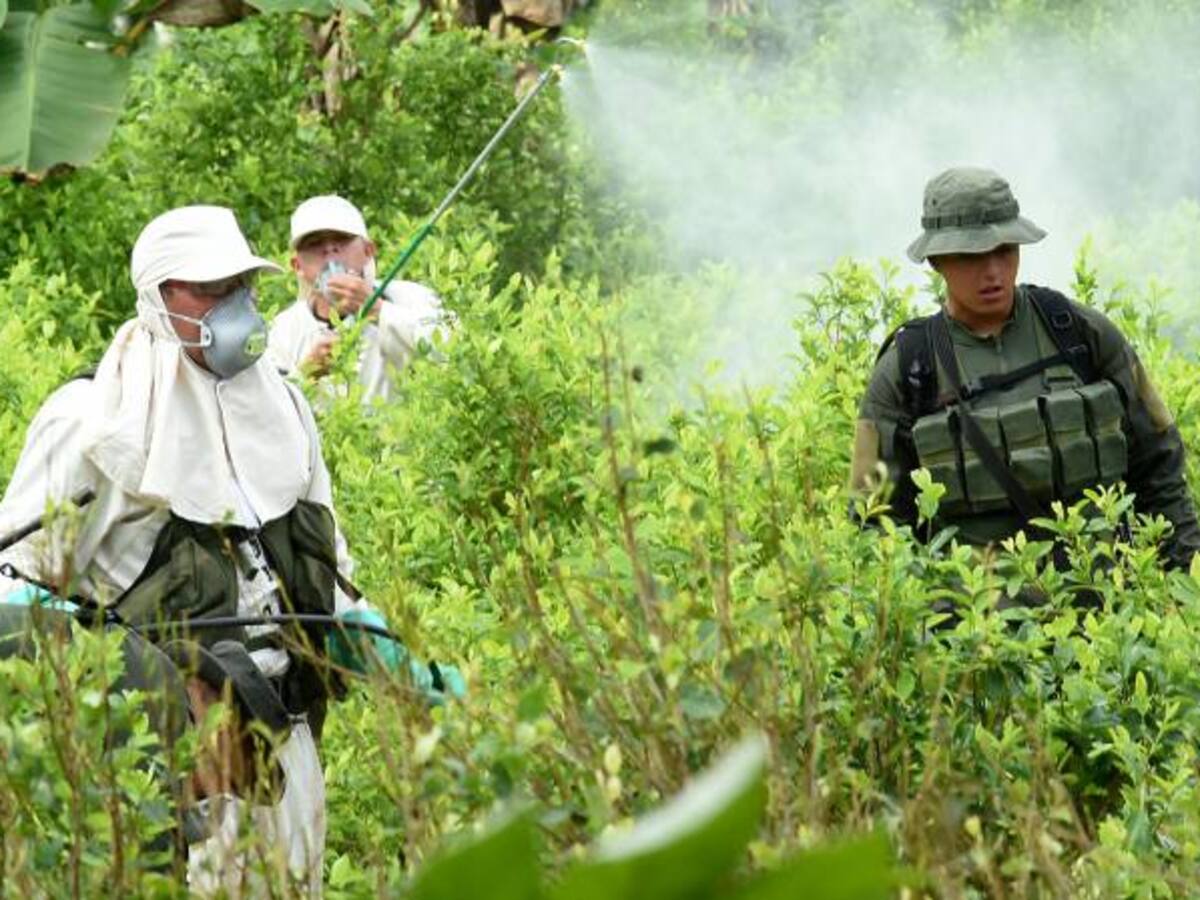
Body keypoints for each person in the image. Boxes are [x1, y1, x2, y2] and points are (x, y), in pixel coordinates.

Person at [0, 206, 456, 893]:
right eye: (211, 289)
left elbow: (328, 578)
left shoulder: (286, 407)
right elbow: (15, 590)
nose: (236, 304)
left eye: (242, 284)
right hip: (178, 757)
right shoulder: (95, 424)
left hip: (285, 734)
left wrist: (402, 665)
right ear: (161, 299)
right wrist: (138, 676)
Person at [850, 166, 1200, 571]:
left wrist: (1182, 578)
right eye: (971, 256)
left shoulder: (1077, 332)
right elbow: (871, 518)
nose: (993, 271)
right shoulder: (909, 367)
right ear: (936, 261)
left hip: (1106, 611)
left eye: (1004, 250)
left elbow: (1159, 460)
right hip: (977, 621)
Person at [268, 195, 454, 402]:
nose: (329, 250)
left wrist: (378, 310)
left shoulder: (413, 297)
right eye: (314, 243)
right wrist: (307, 373)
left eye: (342, 239)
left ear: (369, 250)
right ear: (297, 266)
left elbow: (455, 355)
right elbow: (270, 411)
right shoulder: (282, 330)